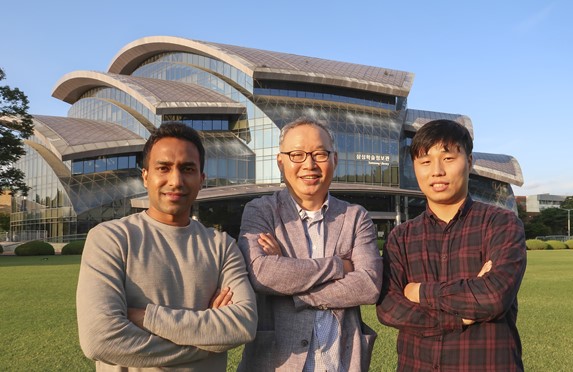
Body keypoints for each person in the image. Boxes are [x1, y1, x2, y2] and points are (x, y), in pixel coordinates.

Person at [76, 122, 257, 371]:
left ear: (201, 179)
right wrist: (209, 341)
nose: (176, 180)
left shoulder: (222, 246)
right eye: (164, 168)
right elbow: (100, 340)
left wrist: (146, 317)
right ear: (146, 176)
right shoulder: (111, 238)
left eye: (187, 169)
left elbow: (243, 324)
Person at [376, 119, 527, 371]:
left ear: (468, 162)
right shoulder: (401, 237)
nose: (436, 171)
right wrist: (461, 316)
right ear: (414, 168)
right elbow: (389, 309)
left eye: (447, 159)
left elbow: (493, 296)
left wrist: (419, 292)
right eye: (425, 161)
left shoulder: (501, 223)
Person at [237, 117, 383, 371]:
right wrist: (339, 266)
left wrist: (292, 279)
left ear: (334, 160)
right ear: (280, 162)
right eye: (297, 154)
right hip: (277, 362)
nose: (309, 164)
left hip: (341, 363)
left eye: (319, 154)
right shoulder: (260, 211)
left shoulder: (355, 216)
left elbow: (368, 285)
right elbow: (262, 274)